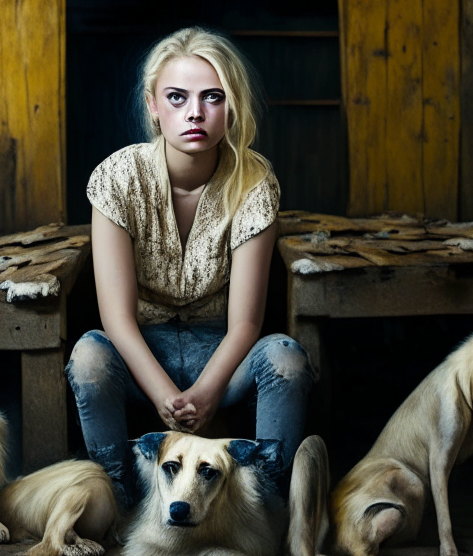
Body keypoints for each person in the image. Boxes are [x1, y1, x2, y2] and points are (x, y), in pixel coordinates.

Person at [65, 27, 313, 509]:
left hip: (222, 352)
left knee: (286, 358)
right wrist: (164, 395)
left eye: (212, 97)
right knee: (88, 356)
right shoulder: (117, 176)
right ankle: (115, 500)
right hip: (138, 353)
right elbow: (116, 318)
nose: (195, 113)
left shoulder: (255, 181)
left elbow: (246, 323)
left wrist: (206, 391)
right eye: (177, 98)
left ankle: (265, 506)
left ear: (231, 105)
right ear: (153, 106)